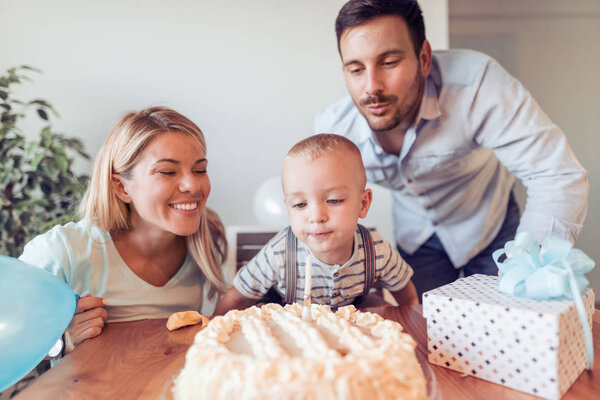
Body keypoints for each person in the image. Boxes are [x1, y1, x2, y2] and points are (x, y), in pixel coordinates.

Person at [314, 0, 589, 299]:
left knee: (502, 328)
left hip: (491, 226)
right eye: (355, 69)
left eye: (389, 62)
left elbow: (556, 173)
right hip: (416, 237)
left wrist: (529, 272)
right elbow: (325, 209)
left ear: (424, 59)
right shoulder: (336, 131)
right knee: (432, 333)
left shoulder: (477, 84)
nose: (371, 87)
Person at [19, 106, 228, 356]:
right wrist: (60, 342)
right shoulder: (60, 251)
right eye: (168, 172)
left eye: (200, 170)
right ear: (121, 187)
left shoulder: (208, 238)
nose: (193, 185)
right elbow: (11, 342)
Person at [214, 133, 417, 315]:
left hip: (347, 337)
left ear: (363, 204)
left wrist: (413, 324)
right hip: (289, 333)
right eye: (300, 204)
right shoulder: (279, 254)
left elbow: (407, 296)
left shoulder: (377, 251)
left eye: (334, 200)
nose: (316, 216)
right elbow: (237, 298)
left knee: (379, 306)